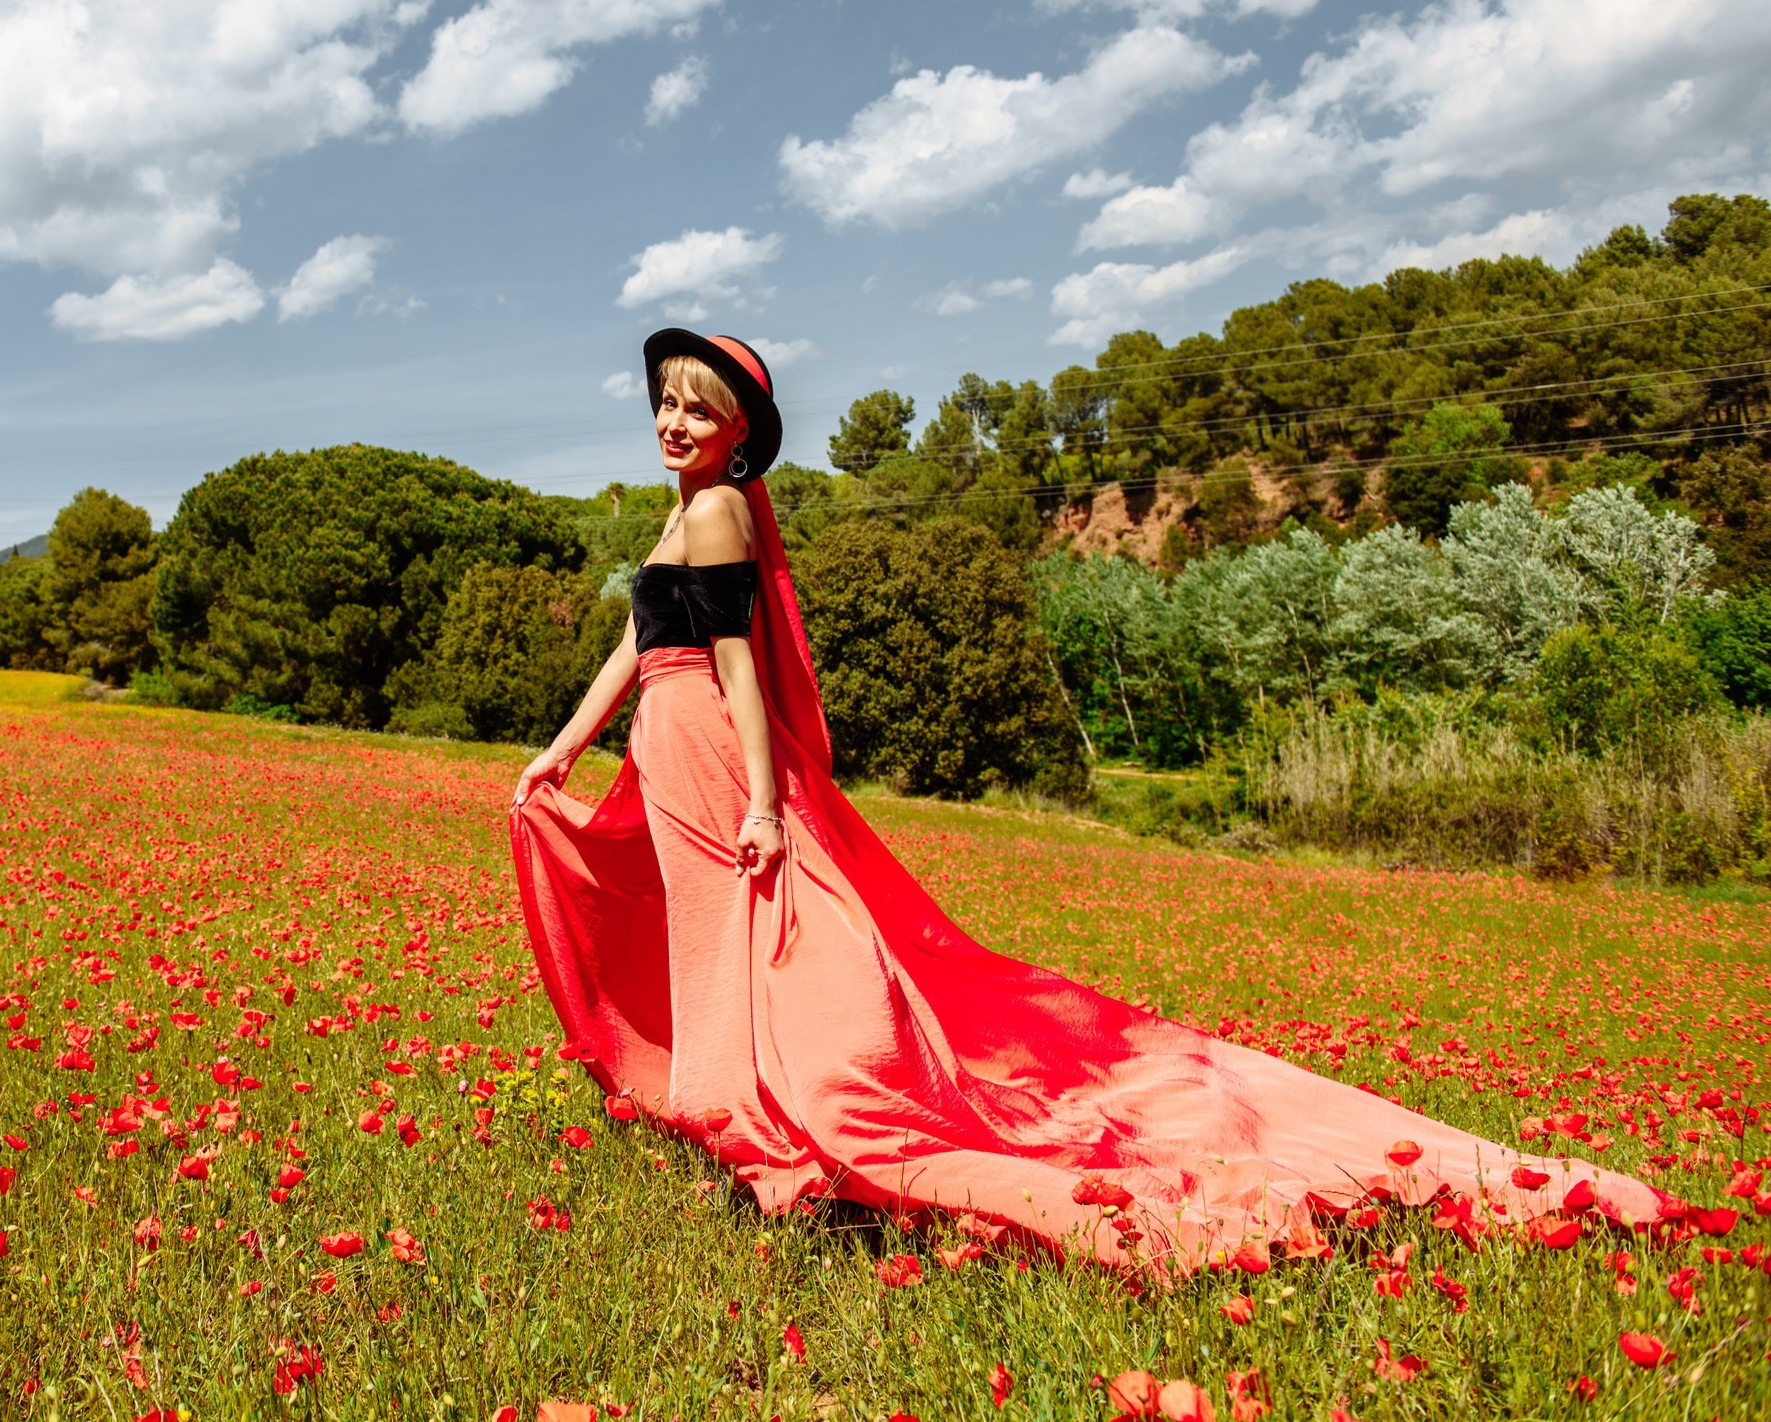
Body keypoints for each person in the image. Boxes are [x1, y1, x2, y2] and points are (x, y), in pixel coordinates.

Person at [508, 328, 1662, 1270]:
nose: (673, 421)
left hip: (712, 749)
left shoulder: (719, 511)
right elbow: (632, 641)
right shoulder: (677, 508)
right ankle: (744, 1097)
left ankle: (796, 1103)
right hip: (664, 749)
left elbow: (739, 668)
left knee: (769, 936)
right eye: (665, 399)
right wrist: (561, 749)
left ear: (738, 434)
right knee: (724, 942)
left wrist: (764, 798)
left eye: (698, 410)